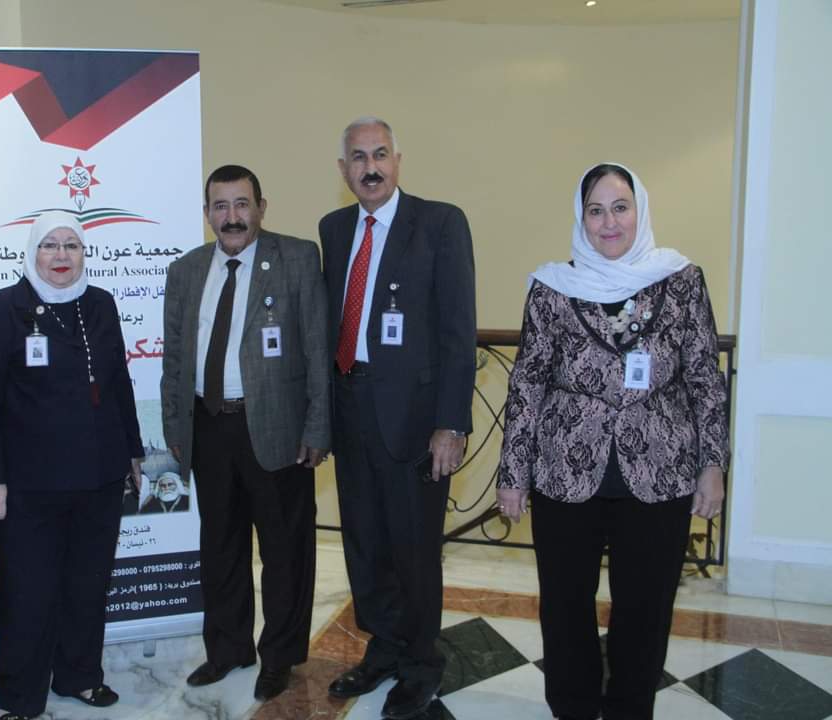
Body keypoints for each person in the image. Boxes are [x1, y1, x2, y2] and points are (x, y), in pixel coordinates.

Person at [497, 163, 729, 720]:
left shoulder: (680, 279)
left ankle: (630, 709)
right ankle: (573, 707)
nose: (609, 222)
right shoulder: (552, 287)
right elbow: (527, 382)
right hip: (564, 472)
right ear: (581, 219)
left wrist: (713, 464)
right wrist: (513, 473)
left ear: (639, 211)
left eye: (620, 207)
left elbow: (704, 376)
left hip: (661, 472)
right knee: (565, 604)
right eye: (595, 211)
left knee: (646, 608)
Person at [321, 117, 477, 720]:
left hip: (414, 420)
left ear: (398, 160)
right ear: (343, 170)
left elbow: (459, 332)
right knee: (365, 544)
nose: (371, 168)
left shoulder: (440, 223)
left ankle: (420, 664)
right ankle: (383, 648)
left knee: (413, 549)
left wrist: (451, 424)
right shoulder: (334, 229)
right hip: (349, 408)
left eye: (380, 154)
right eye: (359, 158)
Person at [0, 211, 144, 720]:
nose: (61, 256)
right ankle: (19, 699)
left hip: (99, 477)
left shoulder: (101, 304)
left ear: (84, 253)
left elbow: (118, 382)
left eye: (72, 245)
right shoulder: (0, 310)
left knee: (88, 585)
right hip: (27, 487)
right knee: (27, 594)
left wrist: (133, 451)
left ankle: (79, 676)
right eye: (50, 245)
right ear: (32, 251)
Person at [160, 164, 329, 701]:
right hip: (209, 427)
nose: (231, 217)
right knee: (220, 547)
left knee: (284, 551)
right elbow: (174, 356)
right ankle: (228, 649)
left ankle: (279, 655)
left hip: (278, 430)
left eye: (241, 204)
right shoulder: (186, 270)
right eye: (220, 206)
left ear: (261, 206)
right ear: (207, 213)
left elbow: (319, 349)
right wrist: (175, 425)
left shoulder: (297, 258)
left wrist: (317, 426)